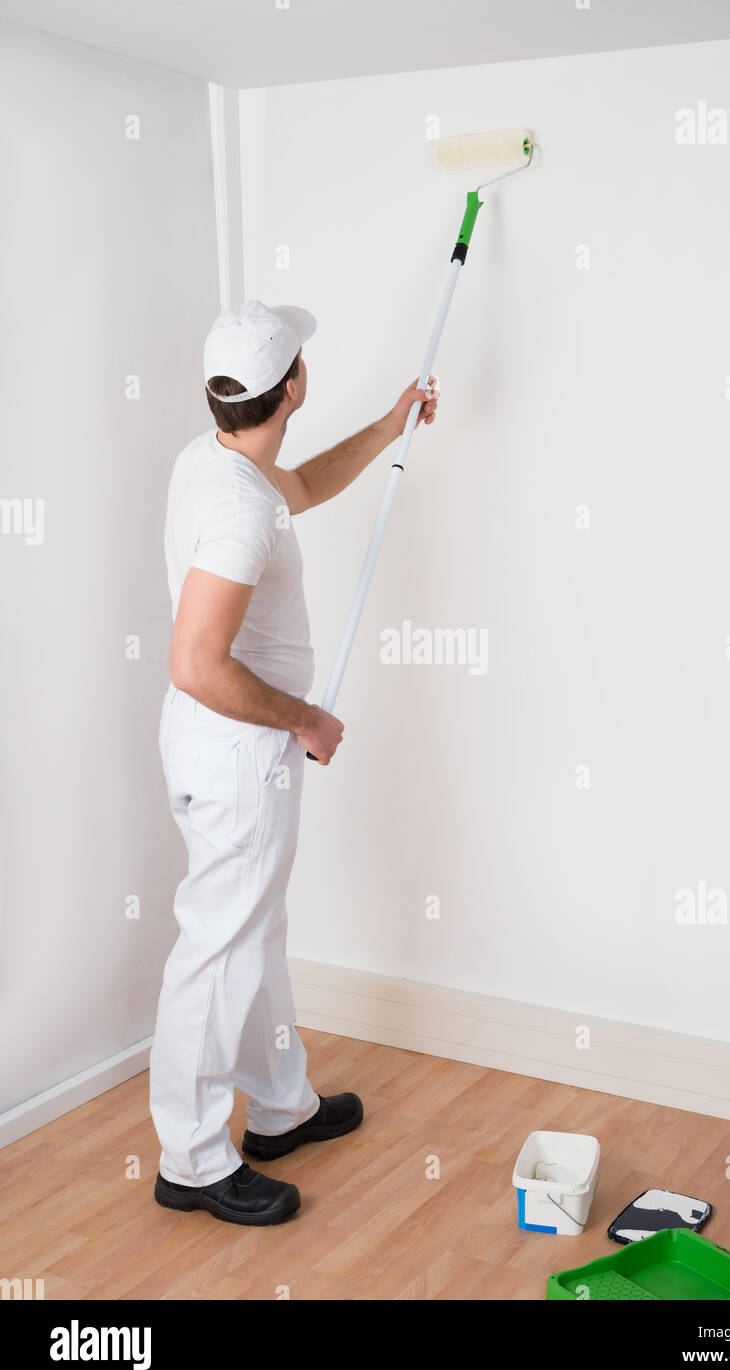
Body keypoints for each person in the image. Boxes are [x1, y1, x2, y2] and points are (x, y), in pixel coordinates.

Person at [150, 301, 439, 1225]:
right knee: (218, 947)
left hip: (236, 750)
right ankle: (190, 1163)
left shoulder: (219, 461)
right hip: (238, 752)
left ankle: (280, 1106)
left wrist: (391, 427)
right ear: (294, 385)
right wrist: (305, 718)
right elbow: (196, 663)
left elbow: (301, 483)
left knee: (254, 928)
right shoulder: (237, 510)